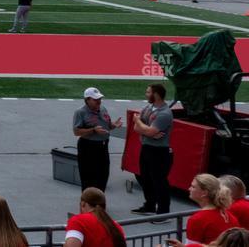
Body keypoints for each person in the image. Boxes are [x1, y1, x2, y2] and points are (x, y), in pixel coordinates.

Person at [131, 83, 174, 215]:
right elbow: (136, 129)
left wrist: (139, 122)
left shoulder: (164, 113)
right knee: (145, 178)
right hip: (146, 148)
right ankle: (149, 205)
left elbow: (142, 126)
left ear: (156, 94)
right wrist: (147, 130)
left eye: (148, 92)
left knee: (159, 181)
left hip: (159, 151)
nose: (146, 94)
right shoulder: (148, 108)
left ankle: (163, 211)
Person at [165, 174, 238, 247]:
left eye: (193, 187)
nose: (189, 189)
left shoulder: (197, 219)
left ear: (204, 193)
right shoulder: (229, 216)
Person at [73, 87, 123, 191]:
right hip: (88, 147)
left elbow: (107, 125)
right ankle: (88, 204)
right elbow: (76, 132)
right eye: (95, 99)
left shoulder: (103, 109)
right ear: (87, 100)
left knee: (103, 175)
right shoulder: (80, 112)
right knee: (88, 178)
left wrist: (113, 125)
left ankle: (99, 203)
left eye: (99, 99)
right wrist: (93, 130)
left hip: (103, 147)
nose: (98, 101)